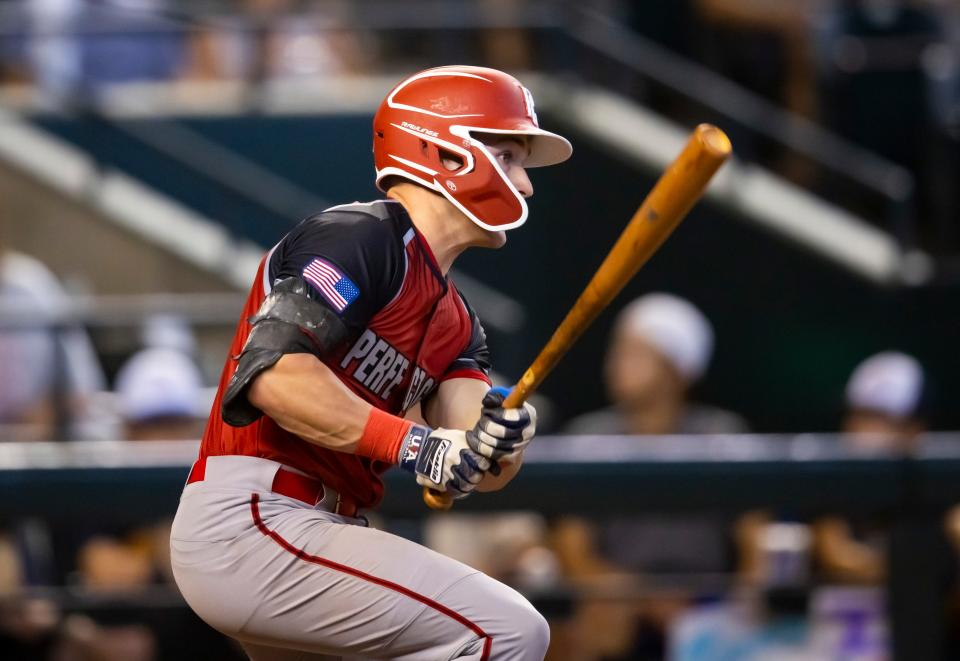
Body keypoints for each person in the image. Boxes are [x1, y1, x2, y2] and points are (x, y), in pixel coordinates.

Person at [169, 65, 571, 660]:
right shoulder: (360, 238)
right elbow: (274, 378)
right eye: (509, 156)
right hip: (258, 516)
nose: (526, 185)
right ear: (446, 153)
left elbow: (474, 464)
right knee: (508, 630)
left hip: (325, 531)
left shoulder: (459, 320)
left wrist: (503, 437)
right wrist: (419, 446)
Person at [564, 292, 748, 436]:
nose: (615, 366)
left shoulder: (720, 440)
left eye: (634, 355)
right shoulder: (588, 439)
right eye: (617, 354)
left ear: (675, 370)